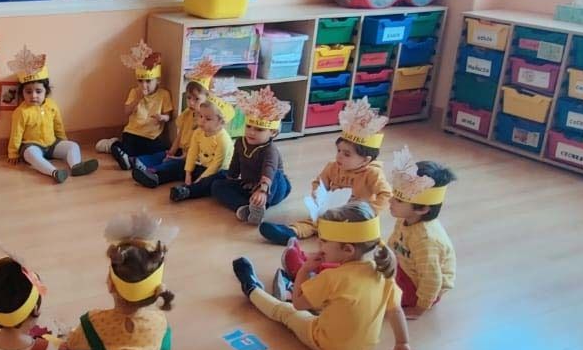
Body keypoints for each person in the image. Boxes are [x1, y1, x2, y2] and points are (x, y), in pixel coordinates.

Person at [231, 200, 421, 350]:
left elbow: (298, 304)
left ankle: (252, 288)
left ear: (347, 249)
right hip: (366, 349)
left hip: (329, 346)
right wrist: (402, 344)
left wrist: (305, 270)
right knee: (332, 303)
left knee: (286, 311)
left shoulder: (332, 277)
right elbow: (396, 311)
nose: (319, 246)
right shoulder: (383, 273)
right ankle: (294, 288)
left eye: (324, 242)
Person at [65, 212, 176, 350]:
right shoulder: (160, 324)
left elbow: (72, 344)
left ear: (110, 283)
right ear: (156, 290)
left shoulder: (94, 322)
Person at [260, 100, 393, 245]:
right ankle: (292, 232)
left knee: (344, 232)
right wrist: (318, 196)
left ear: (365, 160)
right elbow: (320, 183)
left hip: (355, 216)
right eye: (339, 151)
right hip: (331, 209)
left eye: (347, 154)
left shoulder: (372, 173)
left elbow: (386, 194)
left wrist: (370, 211)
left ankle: (337, 239)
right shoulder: (333, 166)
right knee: (315, 221)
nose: (339, 156)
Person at [138, 63, 235, 199]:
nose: (201, 121)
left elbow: (215, 166)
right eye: (201, 117)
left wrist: (196, 182)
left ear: (221, 122)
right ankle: (155, 176)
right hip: (198, 164)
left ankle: (187, 192)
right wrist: (188, 174)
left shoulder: (223, 140)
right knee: (179, 166)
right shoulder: (198, 131)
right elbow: (192, 154)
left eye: (207, 119)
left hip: (215, 171)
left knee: (213, 182)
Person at [6, 45, 97, 183]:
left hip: (52, 144)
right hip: (32, 146)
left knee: (73, 146)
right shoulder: (21, 112)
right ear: (22, 93)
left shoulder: (51, 105)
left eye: (38, 91)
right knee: (30, 154)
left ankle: (76, 166)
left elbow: (58, 125)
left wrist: (63, 140)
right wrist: (13, 153)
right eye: (28, 92)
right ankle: (54, 172)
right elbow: (16, 134)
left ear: (46, 91)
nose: (33, 96)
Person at [385, 148, 458, 318]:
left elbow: (432, 281)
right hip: (404, 268)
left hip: (418, 287)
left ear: (423, 209)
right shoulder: (406, 218)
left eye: (399, 200)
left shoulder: (426, 240)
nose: (390, 201)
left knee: (375, 296)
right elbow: (393, 244)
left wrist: (419, 308)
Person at [213, 87, 293, 224]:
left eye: (259, 130)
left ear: (273, 133)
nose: (251, 132)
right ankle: (244, 207)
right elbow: (235, 163)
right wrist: (230, 178)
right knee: (217, 185)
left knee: (276, 176)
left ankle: (261, 206)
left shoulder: (270, 149)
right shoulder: (240, 142)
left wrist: (262, 190)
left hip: (272, 188)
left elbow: (269, 168)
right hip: (249, 186)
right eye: (249, 126)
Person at [99, 41, 173, 171]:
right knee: (130, 148)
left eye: (148, 81)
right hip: (133, 132)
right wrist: (137, 99)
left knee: (162, 151)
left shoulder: (164, 94)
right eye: (140, 81)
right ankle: (113, 145)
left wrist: (162, 118)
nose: (144, 86)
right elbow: (126, 111)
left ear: (158, 81)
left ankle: (129, 158)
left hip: (151, 136)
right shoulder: (135, 92)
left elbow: (169, 116)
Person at [129, 78, 208, 183]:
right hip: (183, 151)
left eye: (196, 99)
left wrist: (181, 157)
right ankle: (139, 161)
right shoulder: (187, 114)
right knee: (164, 154)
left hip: (195, 158)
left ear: (207, 99)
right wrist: (171, 152)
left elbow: (201, 149)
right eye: (189, 98)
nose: (191, 103)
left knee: (175, 164)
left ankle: (153, 173)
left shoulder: (206, 121)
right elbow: (179, 136)